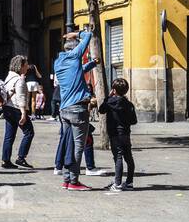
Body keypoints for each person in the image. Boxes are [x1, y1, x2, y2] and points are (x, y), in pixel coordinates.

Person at [54, 23, 98, 191]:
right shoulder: (75, 56)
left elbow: (78, 70)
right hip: (77, 109)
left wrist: (92, 64)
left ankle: (66, 179)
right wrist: (76, 34)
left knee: (68, 144)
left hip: (64, 109)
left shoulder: (58, 62)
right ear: (76, 50)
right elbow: (87, 37)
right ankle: (73, 181)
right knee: (78, 146)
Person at [98, 77, 137, 192]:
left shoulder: (109, 102)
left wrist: (108, 97)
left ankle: (118, 183)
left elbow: (101, 110)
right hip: (125, 133)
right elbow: (134, 121)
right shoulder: (129, 104)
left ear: (113, 90)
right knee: (128, 157)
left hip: (115, 134)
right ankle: (129, 182)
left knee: (118, 157)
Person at [1, 55, 39, 169]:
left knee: (9, 135)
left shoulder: (8, 77)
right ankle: (21, 158)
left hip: (7, 108)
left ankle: (5, 160)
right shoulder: (19, 79)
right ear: (21, 66)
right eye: (26, 65)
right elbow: (21, 97)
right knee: (29, 132)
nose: (28, 67)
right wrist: (23, 113)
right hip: (17, 109)